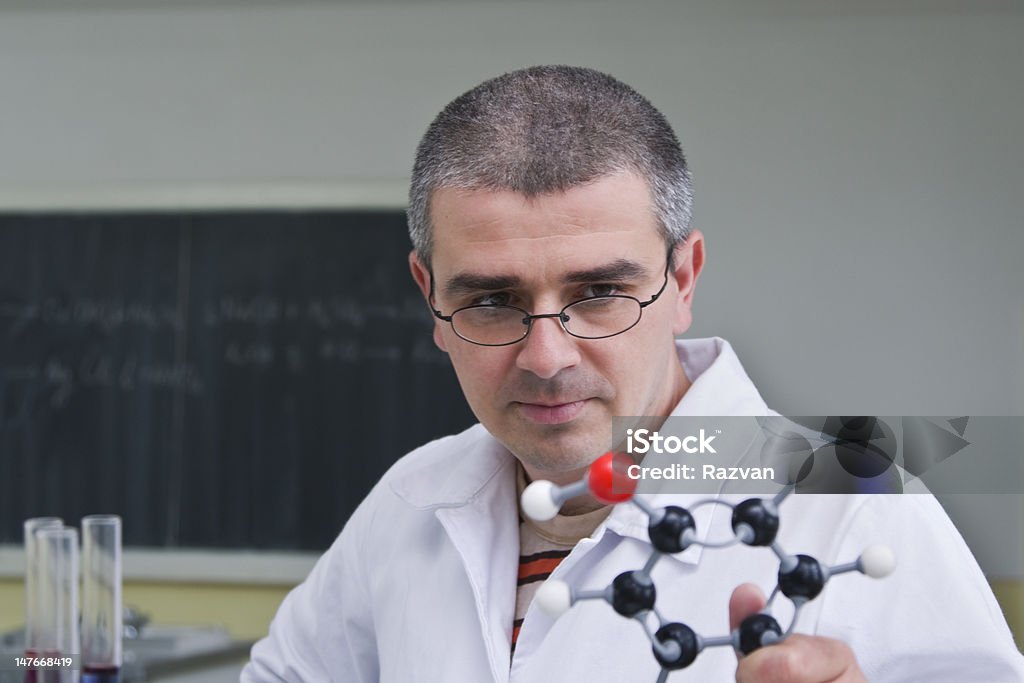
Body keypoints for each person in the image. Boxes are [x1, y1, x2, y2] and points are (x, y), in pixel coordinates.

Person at [242, 66, 1024, 682]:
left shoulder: (850, 503)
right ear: (428, 295)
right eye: (490, 300)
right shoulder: (412, 500)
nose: (548, 358)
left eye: (601, 293)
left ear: (683, 280)